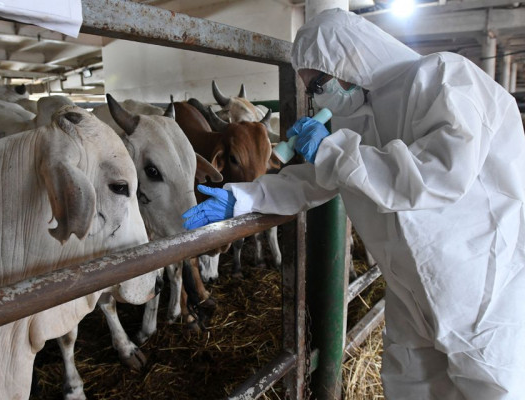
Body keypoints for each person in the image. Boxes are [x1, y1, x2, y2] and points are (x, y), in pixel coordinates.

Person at [182, 8, 525, 400]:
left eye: (319, 83)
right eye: (312, 90)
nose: (319, 97)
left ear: (350, 57)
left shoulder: (444, 78)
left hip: (480, 287)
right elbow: (320, 179)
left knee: (492, 387)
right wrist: (244, 196)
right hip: (409, 290)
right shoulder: (354, 118)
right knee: (411, 386)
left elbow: (440, 175)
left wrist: (331, 150)